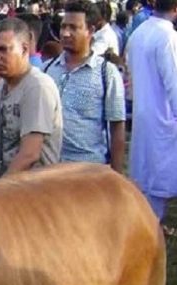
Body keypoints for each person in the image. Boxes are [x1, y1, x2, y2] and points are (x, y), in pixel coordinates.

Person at [45, 1, 126, 172]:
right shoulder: (47, 70)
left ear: (91, 30)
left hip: (89, 171)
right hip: (49, 170)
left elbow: (117, 127)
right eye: (63, 27)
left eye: (73, 28)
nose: (65, 33)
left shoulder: (106, 73)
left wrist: (116, 176)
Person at [0, 18, 62, 179]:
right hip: (6, 185)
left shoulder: (37, 87)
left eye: (3, 49)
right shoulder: (0, 86)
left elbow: (30, 154)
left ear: (24, 49)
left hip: (33, 188)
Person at [126, 0, 177, 221]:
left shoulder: (138, 33)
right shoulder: (168, 37)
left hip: (144, 116)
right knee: (157, 187)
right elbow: (175, 85)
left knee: (146, 184)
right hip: (163, 120)